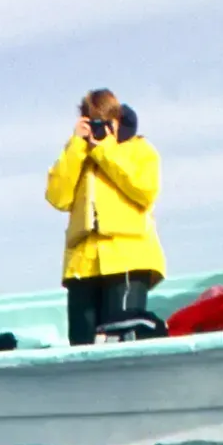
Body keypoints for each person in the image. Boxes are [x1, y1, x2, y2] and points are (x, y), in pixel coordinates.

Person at [44, 89, 164, 345]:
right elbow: (57, 197)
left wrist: (106, 150)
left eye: (104, 122)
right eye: (91, 121)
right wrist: (77, 145)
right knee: (82, 342)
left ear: (117, 121)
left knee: (122, 336)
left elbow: (145, 190)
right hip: (82, 264)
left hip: (128, 258)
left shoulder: (139, 150)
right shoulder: (76, 156)